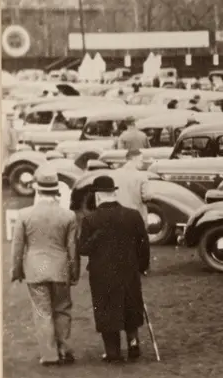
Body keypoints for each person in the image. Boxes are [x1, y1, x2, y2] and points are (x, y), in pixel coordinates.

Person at [78, 174, 151, 363]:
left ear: (99, 196)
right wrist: (142, 266)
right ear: (113, 193)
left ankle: (113, 351)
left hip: (102, 273)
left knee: (106, 309)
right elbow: (143, 244)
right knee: (131, 304)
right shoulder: (132, 215)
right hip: (128, 269)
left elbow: (83, 249)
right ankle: (133, 343)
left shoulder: (90, 220)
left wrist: (97, 237)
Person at [10, 172, 80, 366]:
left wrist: (16, 271)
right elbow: (73, 247)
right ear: (57, 192)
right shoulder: (68, 215)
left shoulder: (24, 214)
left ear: (38, 190)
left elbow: (17, 246)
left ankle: (49, 355)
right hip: (60, 268)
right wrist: (74, 272)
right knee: (63, 310)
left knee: (42, 311)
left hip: (35, 269)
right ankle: (64, 350)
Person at [114, 148, 152, 224]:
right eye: (141, 160)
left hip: (117, 215)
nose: (142, 163)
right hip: (136, 216)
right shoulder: (141, 176)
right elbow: (147, 196)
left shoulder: (114, 174)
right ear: (134, 159)